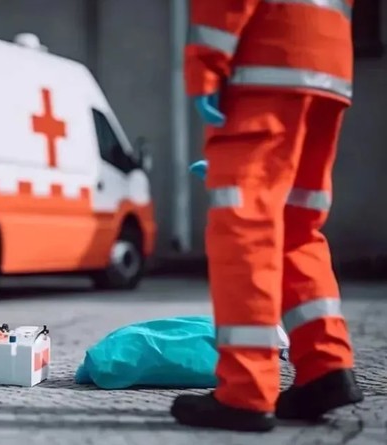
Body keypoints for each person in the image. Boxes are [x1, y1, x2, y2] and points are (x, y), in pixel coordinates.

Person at [171, 0, 364, 432]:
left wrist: (205, 62)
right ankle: (325, 366)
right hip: (327, 66)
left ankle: (245, 392)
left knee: (246, 225)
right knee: (297, 227)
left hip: (263, 61)